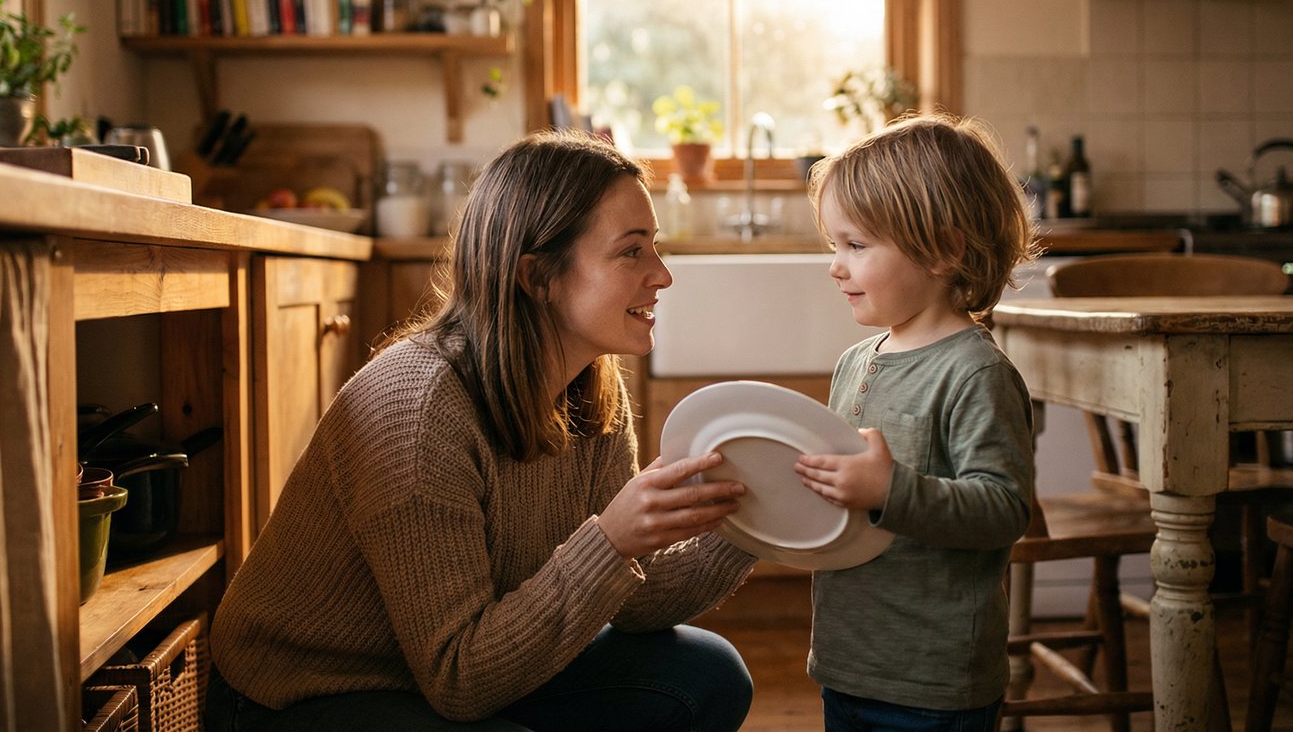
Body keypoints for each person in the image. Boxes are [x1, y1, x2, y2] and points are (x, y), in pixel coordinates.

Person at [206, 130, 758, 732]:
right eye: (631, 252)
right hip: (301, 696)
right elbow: (459, 680)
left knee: (709, 674)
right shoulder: (417, 412)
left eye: (656, 247)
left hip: (472, 662)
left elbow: (631, 598)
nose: (662, 276)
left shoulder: (591, 388)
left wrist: (756, 522)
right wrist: (613, 540)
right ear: (537, 276)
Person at [791, 113, 1039, 732]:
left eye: (856, 245)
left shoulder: (975, 372)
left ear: (944, 250)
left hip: (935, 680)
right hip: (849, 663)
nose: (835, 266)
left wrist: (889, 490)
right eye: (833, 246)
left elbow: (1006, 508)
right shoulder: (855, 363)